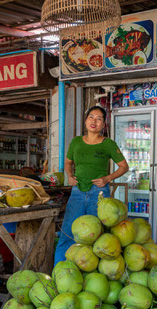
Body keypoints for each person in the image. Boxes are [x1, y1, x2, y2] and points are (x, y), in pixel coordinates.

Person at [54, 105, 129, 265]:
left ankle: (93, 274)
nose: (94, 121)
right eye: (91, 117)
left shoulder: (108, 144)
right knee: (67, 233)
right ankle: (58, 272)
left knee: (99, 237)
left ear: (103, 125)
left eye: (99, 118)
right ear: (86, 121)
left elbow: (124, 166)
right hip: (77, 193)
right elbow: (68, 163)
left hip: (99, 194)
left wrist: (108, 178)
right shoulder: (76, 142)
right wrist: (69, 176)